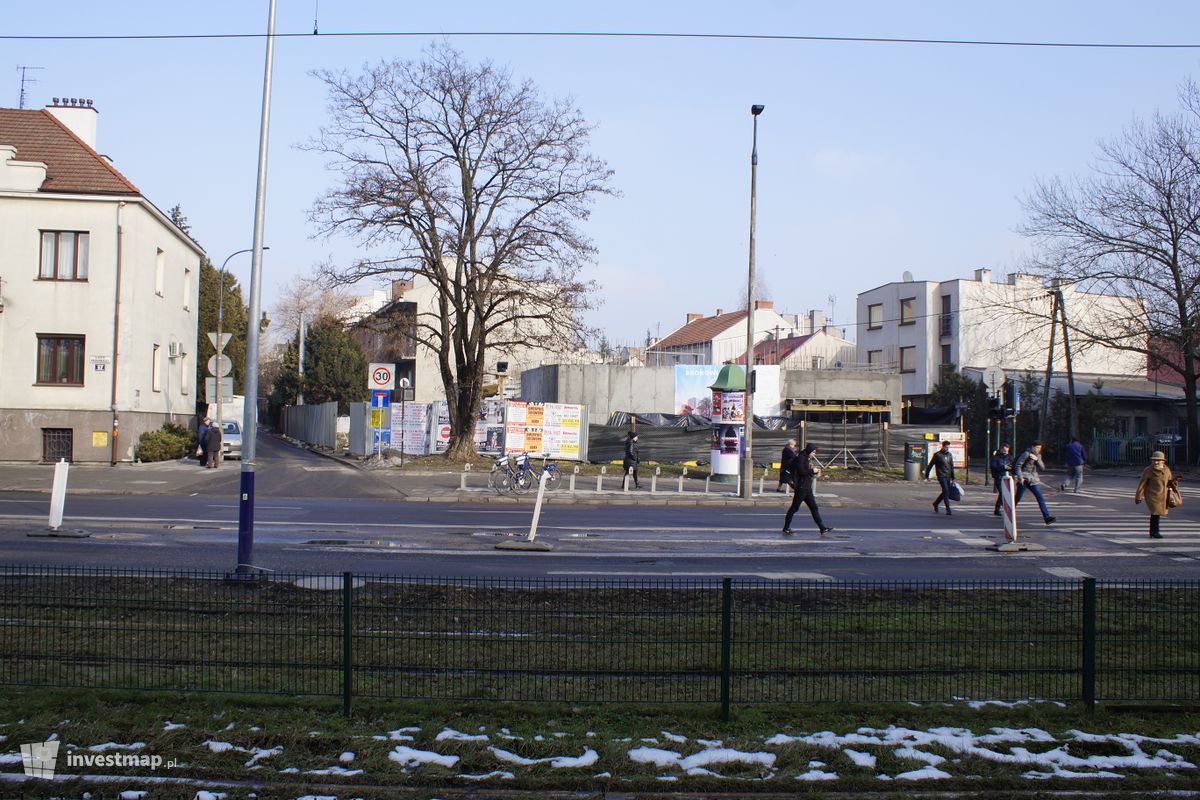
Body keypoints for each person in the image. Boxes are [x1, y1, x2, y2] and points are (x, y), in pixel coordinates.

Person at [782, 443, 833, 535]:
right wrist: (812, 471)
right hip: (801, 487)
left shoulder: (806, 458)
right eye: (814, 452)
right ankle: (786, 528)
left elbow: (806, 471)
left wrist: (813, 472)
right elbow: (802, 472)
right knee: (794, 508)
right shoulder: (801, 458)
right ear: (809, 451)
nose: (815, 454)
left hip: (806, 487)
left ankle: (822, 528)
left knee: (814, 507)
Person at [1135, 450, 1177, 539]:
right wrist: (1139, 496)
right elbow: (1142, 484)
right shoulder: (1148, 470)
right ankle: (1155, 532)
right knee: (1155, 512)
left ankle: (1152, 531)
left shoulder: (1167, 470)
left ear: (1163, 461)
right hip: (1152, 495)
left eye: (1158, 460)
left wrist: (1174, 483)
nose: (1156, 462)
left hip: (1163, 494)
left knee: (1156, 513)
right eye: (1154, 460)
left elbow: (1169, 481)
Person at [1014, 441, 1056, 525]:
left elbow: (1042, 468)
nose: (1038, 450)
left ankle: (1047, 517)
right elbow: (1017, 466)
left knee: (1040, 497)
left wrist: (1037, 460)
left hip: (1033, 480)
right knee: (1018, 497)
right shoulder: (1026, 454)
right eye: (1037, 447)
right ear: (1032, 447)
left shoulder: (1038, 455)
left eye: (1040, 448)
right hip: (1024, 479)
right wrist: (1020, 477)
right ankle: (1009, 511)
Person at [925, 440, 956, 516]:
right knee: (945, 490)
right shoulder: (937, 455)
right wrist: (927, 475)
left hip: (948, 476)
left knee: (946, 492)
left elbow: (951, 467)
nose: (947, 449)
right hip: (941, 475)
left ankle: (935, 503)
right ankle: (948, 509)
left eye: (948, 447)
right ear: (943, 446)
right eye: (946, 447)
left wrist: (953, 478)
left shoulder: (949, 455)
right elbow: (930, 465)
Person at [990, 442, 1014, 516]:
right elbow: (993, 467)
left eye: (1006, 449)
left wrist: (1010, 468)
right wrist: (1003, 467)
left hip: (1008, 477)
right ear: (1001, 449)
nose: (1005, 450)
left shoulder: (1010, 457)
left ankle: (1000, 508)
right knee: (1002, 492)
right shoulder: (996, 457)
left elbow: (1014, 466)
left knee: (1006, 493)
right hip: (999, 477)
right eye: (1003, 449)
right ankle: (998, 509)